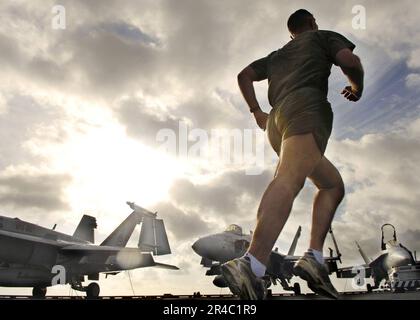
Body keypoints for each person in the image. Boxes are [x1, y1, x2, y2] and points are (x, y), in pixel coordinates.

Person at [221, 9, 364, 300]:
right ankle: (252, 263)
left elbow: (244, 75)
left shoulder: (276, 56)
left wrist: (256, 112)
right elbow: (349, 60)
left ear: (291, 33)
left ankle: (313, 257)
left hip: (276, 121)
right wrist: (356, 87)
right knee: (288, 180)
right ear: (312, 22)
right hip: (306, 108)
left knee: (331, 185)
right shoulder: (322, 37)